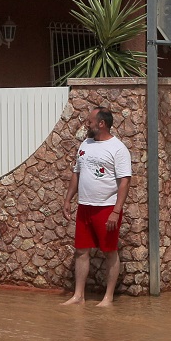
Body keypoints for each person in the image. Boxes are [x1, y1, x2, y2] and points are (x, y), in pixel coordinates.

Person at [62, 107, 131, 307]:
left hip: (106, 208)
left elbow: (125, 181)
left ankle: (108, 298)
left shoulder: (118, 148)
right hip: (85, 207)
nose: (87, 124)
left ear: (101, 124)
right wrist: (68, 199)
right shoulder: (85, 144)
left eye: (90, 121)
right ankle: (78, 296)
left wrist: (116, 211)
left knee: (109, 251)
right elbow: (77, 172)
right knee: (81, 251)